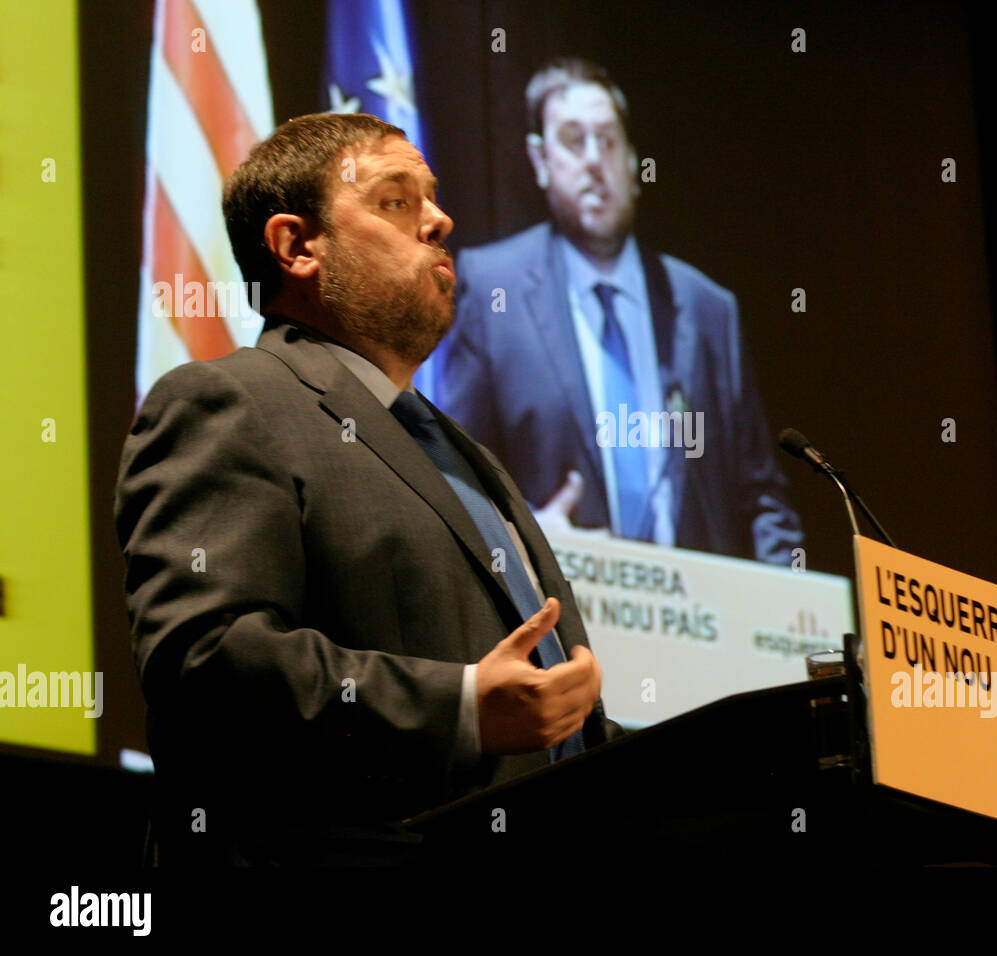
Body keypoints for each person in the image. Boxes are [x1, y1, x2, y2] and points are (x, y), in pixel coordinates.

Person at [114, 112, 612, 866]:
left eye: (433, 198)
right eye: (395, 200)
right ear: (296, 245)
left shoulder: (467, 456)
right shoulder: (229, 403)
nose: (439, 220)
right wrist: (463, 707)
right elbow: (207, 664)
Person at [435, 56, 803, 564]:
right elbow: (453, 482)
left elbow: (760, 497)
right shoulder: (494, 289)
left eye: (608, 141)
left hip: (700, 626)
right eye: (573, 139)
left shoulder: (705, 307)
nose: (594, 160)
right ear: (540, 161)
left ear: (633, 162)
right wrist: (525, 541)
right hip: (566, 625)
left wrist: (785, 611)